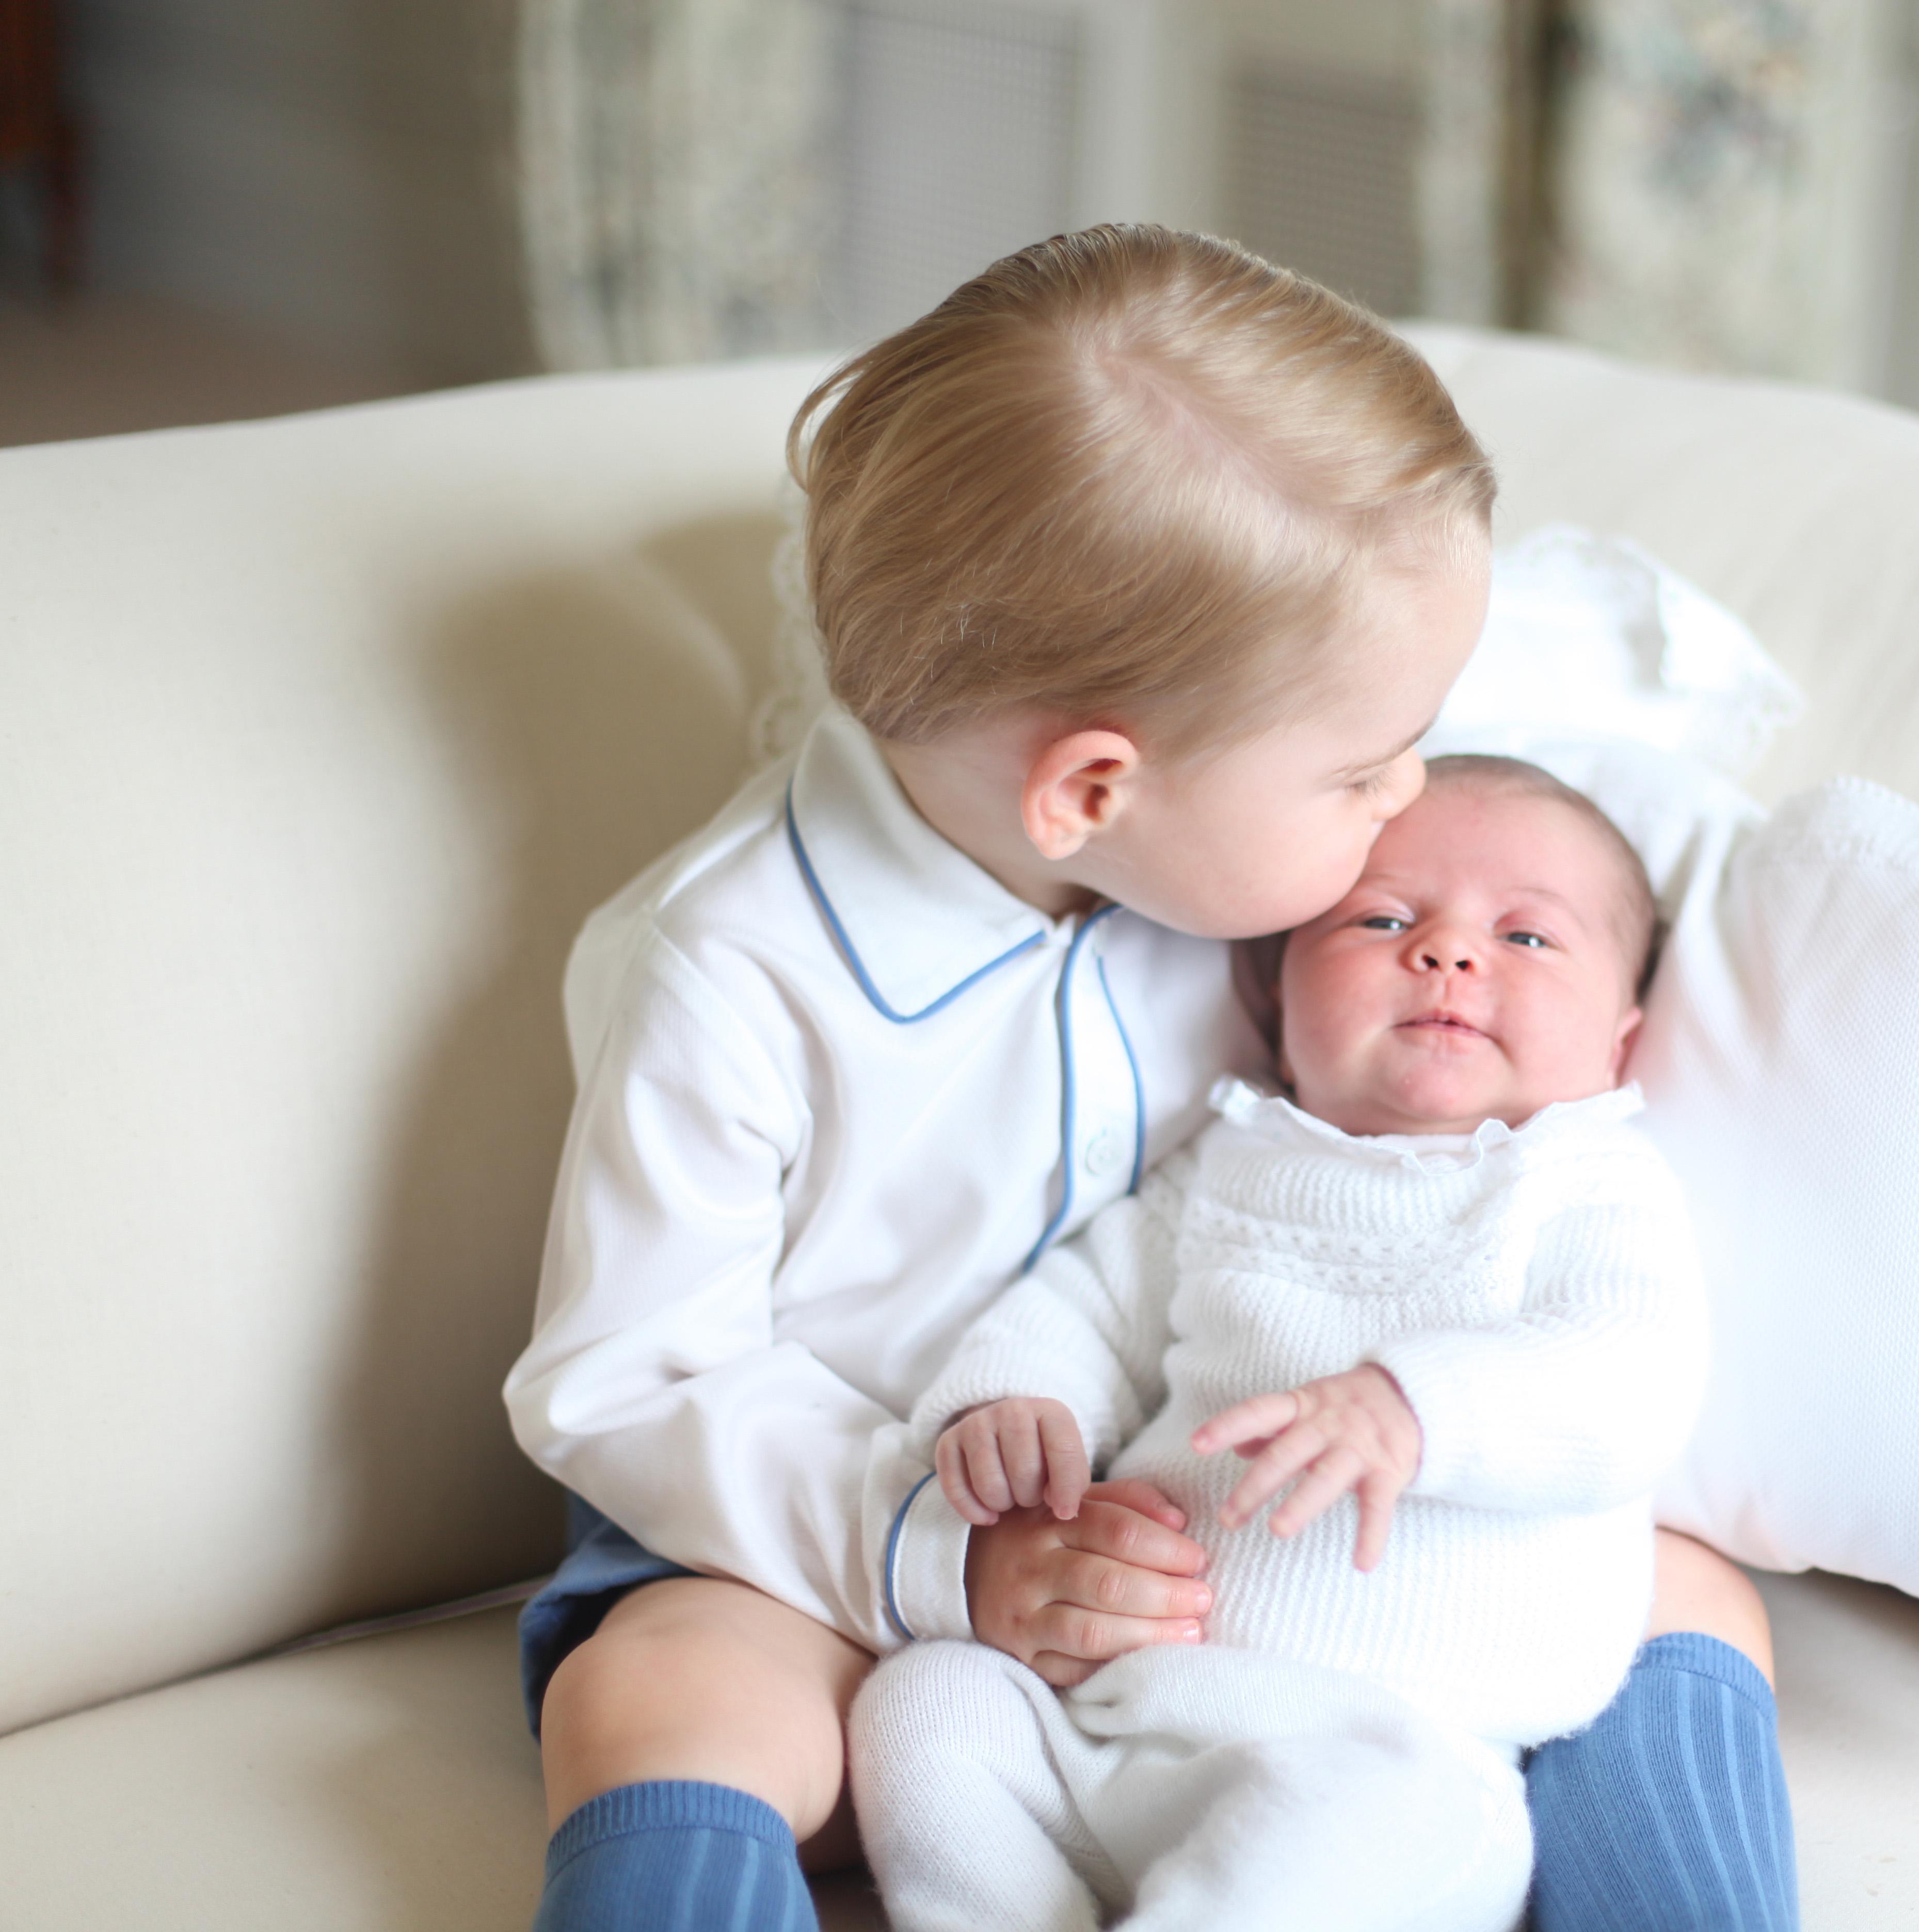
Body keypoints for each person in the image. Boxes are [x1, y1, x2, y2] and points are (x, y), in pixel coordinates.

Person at [504, 226, 1793, 1932]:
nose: (1401, 791)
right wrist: (944, 1553)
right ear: (1091, 790)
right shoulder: (731, 973)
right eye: (1360, 769)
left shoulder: (1236, 858)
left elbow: (1459, 742)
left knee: (1686, 1584)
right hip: (838, 1546)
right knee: (657, 1686)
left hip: (1254, 1544)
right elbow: (620, 1381)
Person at [853, 756, 1729, 1930]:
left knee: (1379, 1822)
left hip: (1401, 1751)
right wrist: (1014, 1403)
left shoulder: (1585, 1184)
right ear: (1273, 995)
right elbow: (1086, 1304)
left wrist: (1415, 1410)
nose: (1450, 953)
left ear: (1620, 1039)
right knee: (928, 1702)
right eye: (1383, 919)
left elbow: (1631, 1380)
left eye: (1528, 940)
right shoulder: (1229, 1164)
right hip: (1117, 1721)